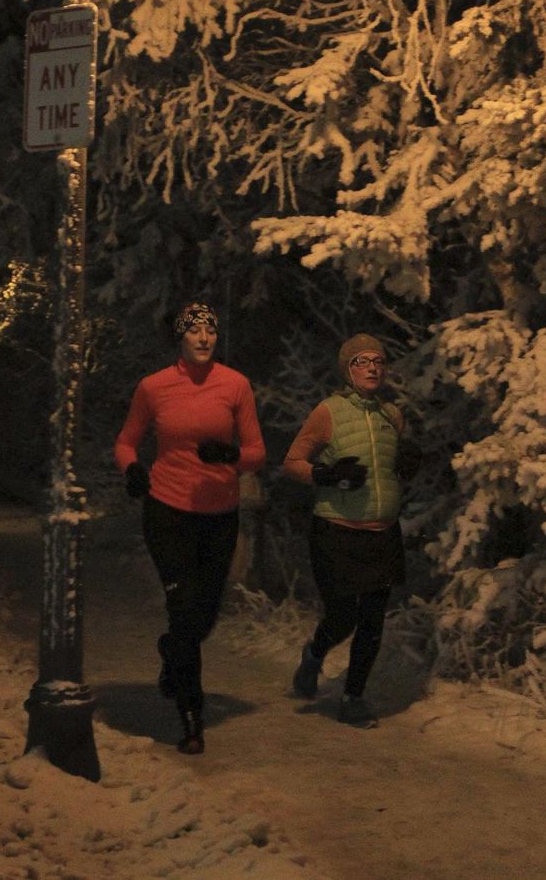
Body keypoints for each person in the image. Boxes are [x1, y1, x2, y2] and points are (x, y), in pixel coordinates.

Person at [114, 300, 266, 754]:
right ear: (181, 337)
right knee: (183, 605)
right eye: (195, 331)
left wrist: (232, 458)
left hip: (219, 515)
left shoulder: (235, 385)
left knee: (201, 619)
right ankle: (191, 714)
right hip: (168, 509)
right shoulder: (154, 387)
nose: (203, 338)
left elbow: (257, 450)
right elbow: (126, 441)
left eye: (210, 332)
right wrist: (133, 471)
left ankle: (172, 651)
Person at [283, 333, 421, 729]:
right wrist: (326, 474)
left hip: (383, 531)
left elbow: (390, 472)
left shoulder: (392, 415)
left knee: (373, 619)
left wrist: (407, 469)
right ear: (347, 369)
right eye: (362, 361)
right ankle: (314, 654)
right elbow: (292, 462)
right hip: (337, 532)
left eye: (378, 360)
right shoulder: (327, 411)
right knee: (343, 615)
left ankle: (353, 697)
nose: (373, 367)